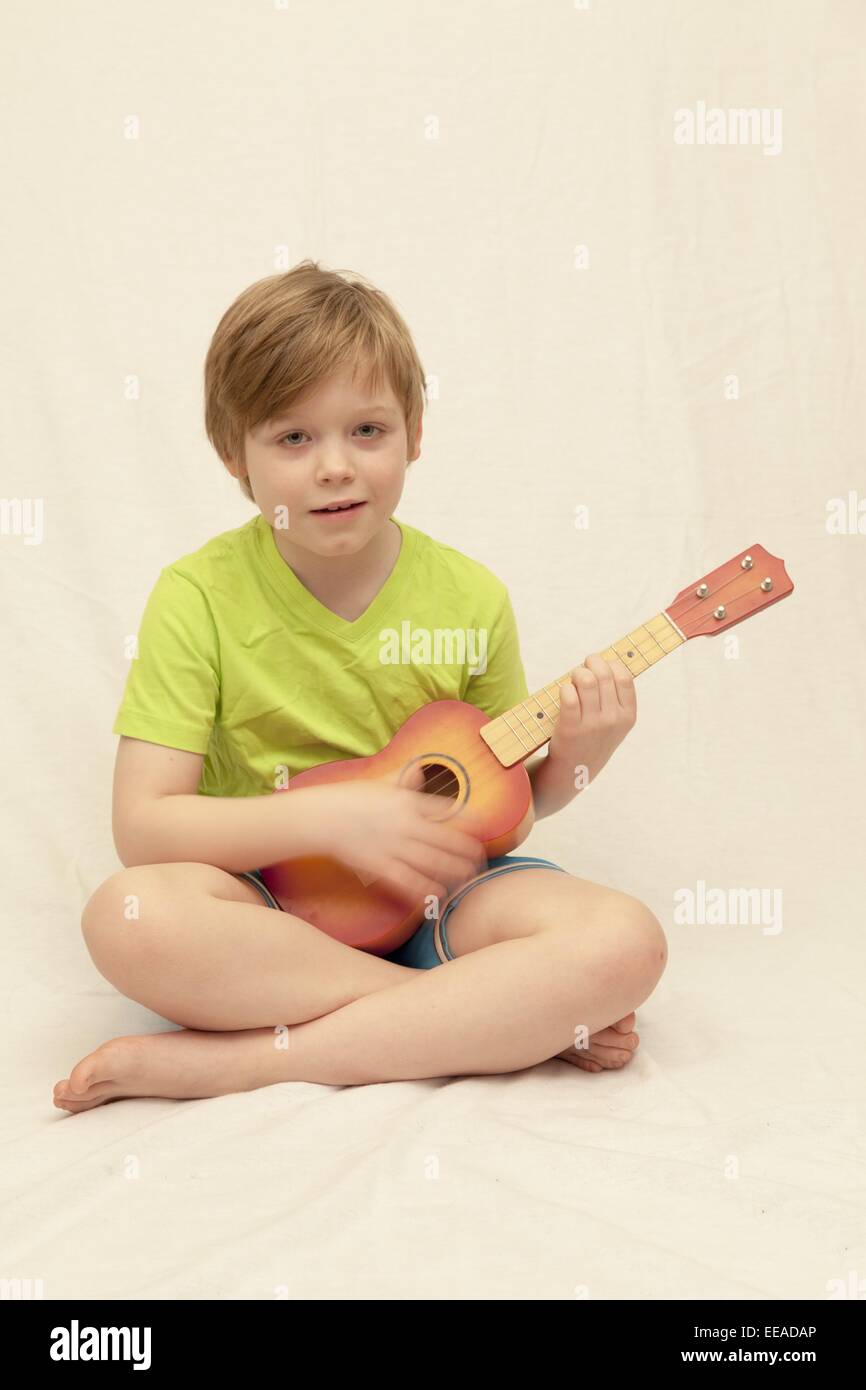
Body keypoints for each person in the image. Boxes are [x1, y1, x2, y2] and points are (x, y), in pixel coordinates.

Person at [54, 260, 667, 1111]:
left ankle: (246, 1063)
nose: (335, 467)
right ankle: (471, 1017)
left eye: (368, 430)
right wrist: (331, 820)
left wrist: (575, 760)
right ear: (233, 454)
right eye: (293, 438)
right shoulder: (195, 596)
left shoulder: (472, 596)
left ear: (415, 433)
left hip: (441, 904)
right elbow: (144, 827)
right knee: (126, 914)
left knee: (626, 941)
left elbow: (502, 809)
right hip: (268, 914)